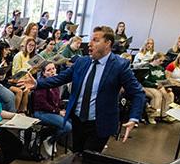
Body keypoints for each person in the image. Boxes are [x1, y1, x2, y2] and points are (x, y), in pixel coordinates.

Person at [25, 25, 146, 153]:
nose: (89, 44)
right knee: (76, 156)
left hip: (99, 123)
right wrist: (38, 83)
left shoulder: (119, 65)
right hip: (78, 120)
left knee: (88, 160)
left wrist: (133, 118)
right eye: (91, 39)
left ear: (107, 43)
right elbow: (60, 78)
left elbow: (138, 93)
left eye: (96, 40)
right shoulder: (82, 62)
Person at [33, 62, 72, 155]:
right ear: (43, 73)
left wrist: (62, 109)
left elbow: (57, 101)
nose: (52, 71)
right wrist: (58, 111)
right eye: (49, 70)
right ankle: (50, 141)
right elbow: (42, 104)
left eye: (53, 69)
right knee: (67, 126)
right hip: (41, 112)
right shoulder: (41, 84)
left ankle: (53, 138)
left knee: (72, 119)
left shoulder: (55, 82)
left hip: (52, 111)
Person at [142, 52, 175, 124]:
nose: (161, 62)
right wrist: (155, 85)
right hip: (147, 86)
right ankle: (152, 115)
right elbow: (143, 81)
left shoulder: (161, 68)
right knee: (157, 95)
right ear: (155, 59)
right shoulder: (147, 67)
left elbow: (164, 80)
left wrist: (167, 87)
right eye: (160, 60)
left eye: (163, 61)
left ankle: (164, 115)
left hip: (159, 86)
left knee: (170, 94)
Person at [10, 37, 39, 113]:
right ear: (25, 45)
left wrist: (35, 69)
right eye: (29, 45)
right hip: (16, 80)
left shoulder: (31, 56)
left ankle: (23, 110)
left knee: (27, 90)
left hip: (26, 80)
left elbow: (30, 72)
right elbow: (16, 72)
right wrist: (28, 67)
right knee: (23, 90)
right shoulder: (19, 55)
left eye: (33, 46)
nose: (31, 47)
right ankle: (15, 111)